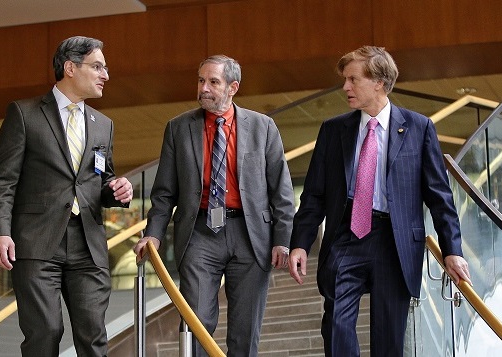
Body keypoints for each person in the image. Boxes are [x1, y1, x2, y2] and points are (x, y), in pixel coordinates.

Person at [288, 46, 472, 357]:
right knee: (336, 326)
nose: (345, 87)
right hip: (346, 236)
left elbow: (440, 197)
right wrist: (299, 244)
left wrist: (452, 250)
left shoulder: (418, 127)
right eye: (345, 80)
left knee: (389, 340)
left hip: (395, 242)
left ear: (379, 83)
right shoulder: (333, 130)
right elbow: (314, 195)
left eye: (352, 79)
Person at [133, 54, 294, 356]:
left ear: (233, 87)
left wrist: (283, 241)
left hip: (251, 234)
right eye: (200, 80)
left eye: (213, 82)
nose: (203, 88)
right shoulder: (178, 128)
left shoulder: (264, 127)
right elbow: (164, 192)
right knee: (196, 322)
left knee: (245, 331)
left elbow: (281, 192)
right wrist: (153, 233)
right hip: (200, 234)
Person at [0, 36, 133, 357]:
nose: (105, 75)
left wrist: (117, 190)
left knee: (93, 333)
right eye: (97, 66)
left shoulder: (103, 124)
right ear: (70, 67)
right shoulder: (24, 114)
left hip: (88, 245)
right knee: (46, 332)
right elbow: (3, 181)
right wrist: (0, 233)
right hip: (37, 243)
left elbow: (101, 179)